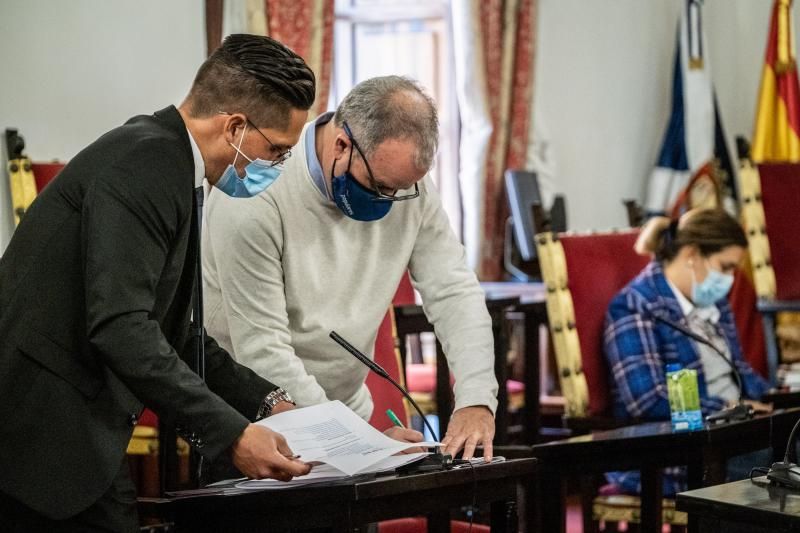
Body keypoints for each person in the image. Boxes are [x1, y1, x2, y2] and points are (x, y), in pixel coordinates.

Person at [0, 34, 318, 532]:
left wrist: (267, 401)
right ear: (235, 126)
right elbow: (122, 327)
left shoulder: (169, 159)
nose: (276, 166)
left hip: (73, 430)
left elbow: (173, 328)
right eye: (276, 150)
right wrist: (232, 434)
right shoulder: (146, 163)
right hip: (40, 432)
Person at [202, 75, 498, 461]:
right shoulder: (255, 191)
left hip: (346, 418)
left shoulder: (407, 185)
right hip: (253, 428)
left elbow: (454, 291)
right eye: (380, 187)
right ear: (342, 143)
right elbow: (263, 351)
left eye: (401, 190)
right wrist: (360, 443)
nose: (389, 201)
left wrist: (476, 399)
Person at [603, 208, 770, 496]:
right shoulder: (635, 306)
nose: (730, 279)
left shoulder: (715, 304)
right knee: (774, 464)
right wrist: (731, 411)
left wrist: (778, 398)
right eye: (726, 266)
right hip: (674, 448)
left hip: (734, 434)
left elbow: (741, 371)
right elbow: (647, 400)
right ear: (692, 254)